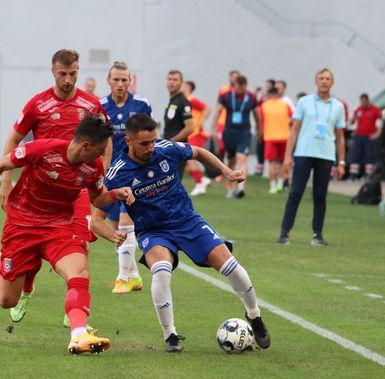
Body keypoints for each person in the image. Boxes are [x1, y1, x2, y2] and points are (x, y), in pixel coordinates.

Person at [0, 116, 133, 354]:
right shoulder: (43, 149)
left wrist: (115, 194)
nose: (101, 156)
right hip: (22, 226)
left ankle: (78, 335)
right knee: (8, 301)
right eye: (99, 150)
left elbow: (98, 198)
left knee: (79, 272)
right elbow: (0, 165)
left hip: (59, 228)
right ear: (86, 145)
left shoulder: (92, 167)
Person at [105, 114, 270, 353]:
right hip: (154, 230)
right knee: (161, 272)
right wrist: (117, 193)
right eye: (144, 143)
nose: (151, 147)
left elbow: (199, 152)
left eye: (153, 140)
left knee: (233, 268)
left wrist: (226, 171)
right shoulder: (117, 171)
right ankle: (170, 334)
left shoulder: (165, 149)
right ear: (129, 141)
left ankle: (254, 316)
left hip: (187, 221)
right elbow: (98, 198)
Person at [0, 49, 109, 323]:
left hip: (78, 186)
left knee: (80, 241)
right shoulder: (38, 104)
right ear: (53, 72)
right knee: (34, 247)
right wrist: (6, 181)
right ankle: (25, 289)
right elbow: (13, 140)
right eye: (63, 74)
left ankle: (76, 307)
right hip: (39, 188)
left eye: (73, 73)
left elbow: (105, 141)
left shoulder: (91, 104)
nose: (69, 79)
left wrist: (103, 175)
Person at [93, 61, 152, 294]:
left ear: (130, 81)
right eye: (116, 79)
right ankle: (134, 276)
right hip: (110, 174)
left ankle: (122, 278)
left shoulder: (141, 105)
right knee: (117, 227)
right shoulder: (100, 106)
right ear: (108, 80)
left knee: (127, 224)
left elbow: (149, 138)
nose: (120, 84)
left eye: (124, 79)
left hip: (134, 173)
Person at [277, 68, 346, 247]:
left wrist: (341, 162)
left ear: (332, 82)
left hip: (326, 155)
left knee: (320, 196)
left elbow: (340, 137)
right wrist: (287, 156)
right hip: (303, 153)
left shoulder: (338, 106)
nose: (324, 81)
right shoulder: (304, 102)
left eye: (328, 79)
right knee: (295, 193)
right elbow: (294, 129)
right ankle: (284, 233)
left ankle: (317, 234)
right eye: (321, 78)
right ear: (316, 81)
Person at [214, 75, 260, 198]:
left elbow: (256, 113)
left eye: (243, 87)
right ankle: (229, 187)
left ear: (245, 85)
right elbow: (218, 111)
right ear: (235, 86)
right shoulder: (227, 95)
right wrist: (213, 128)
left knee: (242, 158)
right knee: (231, 161)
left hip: (244, 132)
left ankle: (240, 188)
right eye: (239, 87)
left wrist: (259, 128)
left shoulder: (251, 96)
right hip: (229, 132)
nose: (241, 89)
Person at [181, 80, 212, 196]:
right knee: (186, 160)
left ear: (188, 87)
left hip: (197, 133)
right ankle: (202, 180)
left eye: (183, 84)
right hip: (191, 134)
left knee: (190, 157)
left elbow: (207, 108)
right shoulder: (184, 100)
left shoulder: (191, 99)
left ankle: (200, 183)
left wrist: (201, 122)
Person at [258, 87, 292, 193]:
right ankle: (280, 183)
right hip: (284, 137)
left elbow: (260, 123)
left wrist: (260, 134)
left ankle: (272, 186)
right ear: (278, 95)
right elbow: (292, 119)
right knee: (283, 162)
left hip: (270, 137)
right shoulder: (284, 105)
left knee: (271, 163)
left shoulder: (264, 106)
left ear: (268, 94)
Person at [163, 70, 194, 177]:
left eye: (175, 80)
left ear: (181, 83)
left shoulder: (183, 102)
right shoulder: (173, 101)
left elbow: (190, 128)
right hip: (169, 149)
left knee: (173, 184)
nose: (172, 82)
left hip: (177, 149)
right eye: (169, 79)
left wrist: (172, 141)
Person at [347, 93, 381, 179]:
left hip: (369, 137)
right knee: (355, 155)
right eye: (361, 102)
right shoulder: (358, 109)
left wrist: (376, 134)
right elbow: (351, 122)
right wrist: (353, 116)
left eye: (364, 102)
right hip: (358, 136)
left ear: (367, 101)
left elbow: (379, 125)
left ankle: (368, 174)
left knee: (369, 156)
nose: (362, 103)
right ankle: (353, 174)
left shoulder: (375, 110)